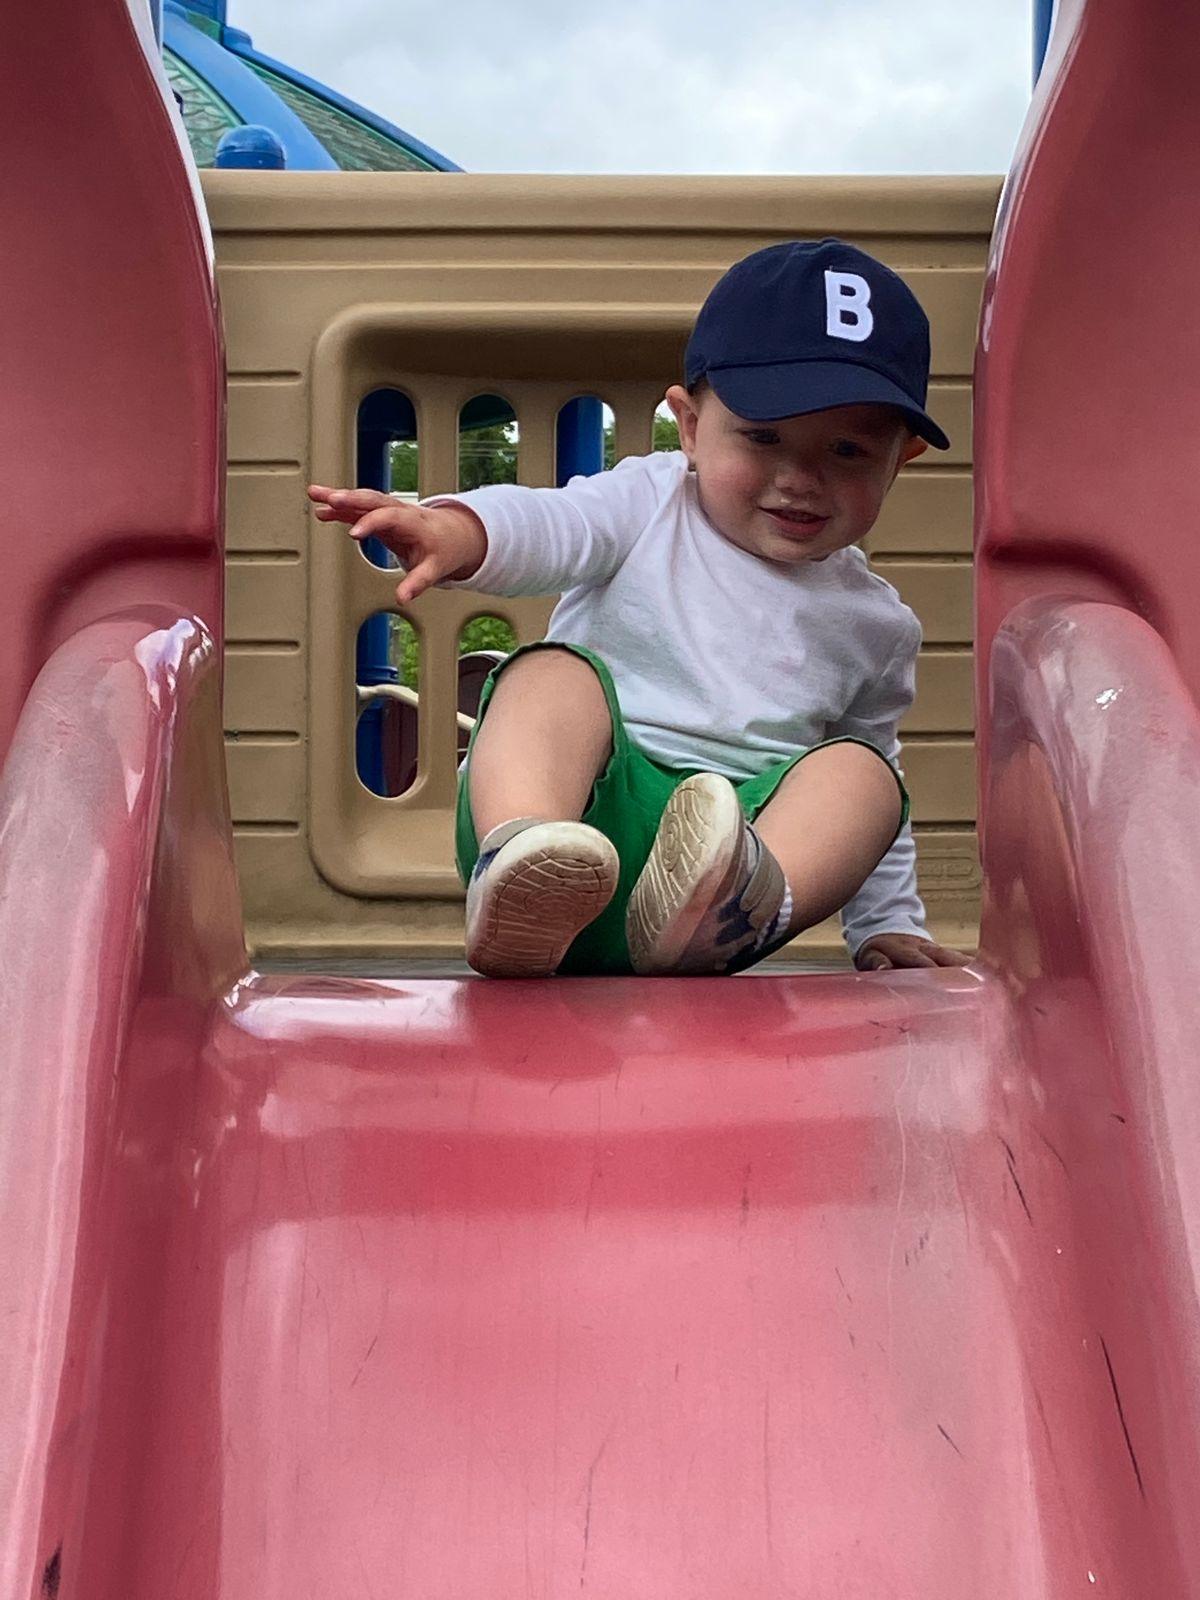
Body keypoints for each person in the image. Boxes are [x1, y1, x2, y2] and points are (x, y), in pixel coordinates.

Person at [310, 239, 971, 980]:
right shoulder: (651, 502)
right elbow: (552, 524)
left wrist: (886, 925)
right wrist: (456, 531)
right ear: (688, 426)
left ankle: (715, 917)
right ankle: (522, 863)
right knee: (550, 676)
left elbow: (861, 804)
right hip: (587, 809)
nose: (799, 478)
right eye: (762, 437)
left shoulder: (875, 624)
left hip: (739, 853)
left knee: (867, 776)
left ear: (900, 460)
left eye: (848, 451)